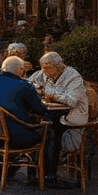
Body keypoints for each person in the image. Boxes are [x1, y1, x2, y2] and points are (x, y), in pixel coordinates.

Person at [0, 55, 51, 182]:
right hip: (14, 136)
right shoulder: (23, 85)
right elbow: (39, 109)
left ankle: (7, 166)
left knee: (24, 125)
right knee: (48, 133)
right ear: (21, 71)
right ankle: (41, 175)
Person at [30, 51, 88, 187]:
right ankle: (36, 172)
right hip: (54, 113)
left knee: (52, 132)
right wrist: (37, 88)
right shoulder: (42, 73)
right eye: (43, 69)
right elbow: (29, 84)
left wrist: (53, 95)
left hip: (71, 118)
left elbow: (72, 100)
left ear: (59, 66)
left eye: (49, 69)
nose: (46, 73)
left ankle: (50, 174)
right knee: (40, 128)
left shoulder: (73, 77)